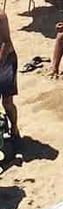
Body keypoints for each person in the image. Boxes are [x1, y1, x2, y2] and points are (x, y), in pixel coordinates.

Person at [0, 9, 21, 160]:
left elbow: (6, 42)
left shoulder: (1, 16)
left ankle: (14, 129)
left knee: (7, 101)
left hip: (6, 60)